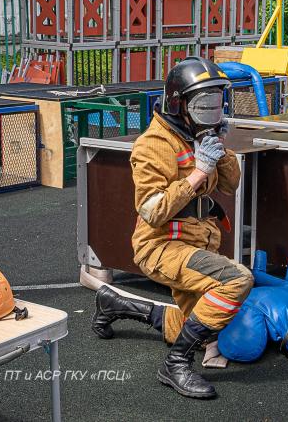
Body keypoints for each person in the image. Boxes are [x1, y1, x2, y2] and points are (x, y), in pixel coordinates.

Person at [91, 57, 253, 399]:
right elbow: (152, 211)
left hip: (197, 241)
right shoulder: (153, 145)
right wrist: (198, 172)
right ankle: (176, 364)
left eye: (215, 105)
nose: (211, 112)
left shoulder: (200, 132)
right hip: (162, 245)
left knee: (200, 323)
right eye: (203, 106)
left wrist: (219, 150)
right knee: (237, 280)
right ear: (180, 104)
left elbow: (232, 184)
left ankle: (116, 305)